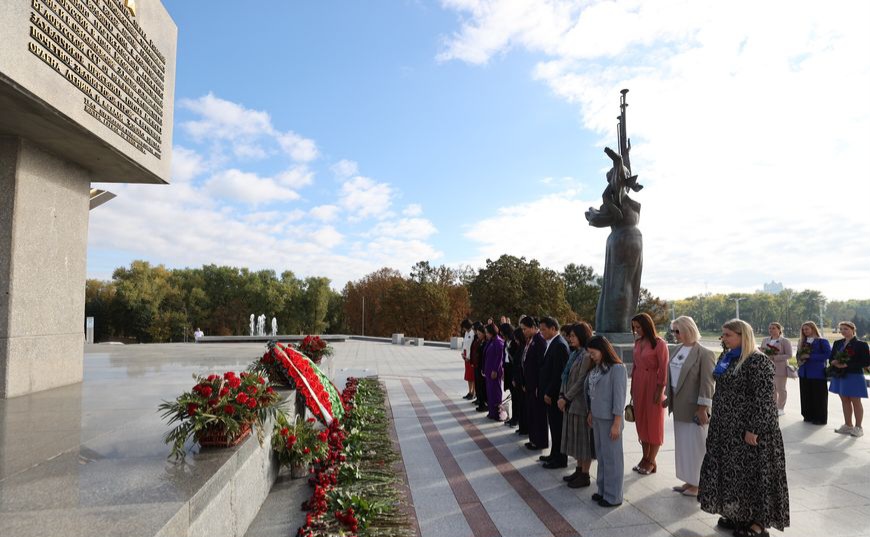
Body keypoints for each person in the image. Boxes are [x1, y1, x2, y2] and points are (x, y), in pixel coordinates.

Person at [699, 319, 789, 536]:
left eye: (728, 335)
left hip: (749, 430)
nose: (724, 339)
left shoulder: (758, 361)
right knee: (734, 473)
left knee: (754, 476)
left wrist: (754, 429)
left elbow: (764, 400)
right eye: (723, 335)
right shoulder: (728, 356)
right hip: (726, 427)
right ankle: (738, 514)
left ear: (742, 336)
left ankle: (758, 523)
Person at [663, 316, 715, 497]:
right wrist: (667, 398)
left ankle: (699, 484)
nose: (675, 335)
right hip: (678, 407)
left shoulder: (704, 353)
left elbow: (707, 383)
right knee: (684, 446)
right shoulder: (676, 350)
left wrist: (703, 408)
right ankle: (689, 480)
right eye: (673, 331)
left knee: (697, 447)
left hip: (694, 408)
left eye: (678, 331)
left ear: (688, 329)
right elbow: (672, 377)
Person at [585, 335, 627, 508]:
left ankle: (614, 496)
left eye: (593, 353)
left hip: (611, 419)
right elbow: (591, 393)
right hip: (597, 418)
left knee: (613, 458)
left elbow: (619, 398)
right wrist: (590, 412)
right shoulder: (596, 368)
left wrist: (617, 422)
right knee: (602, 456)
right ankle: (602, 490)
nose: (591, 356)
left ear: (603, 350)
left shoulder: (617, 369)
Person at [630, 312, 668, 475]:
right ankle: (645, 458)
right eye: (634, 327)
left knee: (654, 423)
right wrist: (632, 388)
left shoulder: (659, 344)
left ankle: (651, 460)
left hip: (653, 384)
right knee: (642, 422)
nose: (636, 330)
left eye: (639, 327)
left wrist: (660, 390)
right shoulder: (637, 342)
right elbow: (635, 366)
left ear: (646, 325)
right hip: (639, 383)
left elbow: (664, 368)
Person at [558, 322, 594, 488]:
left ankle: (585, 474)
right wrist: (561, 394)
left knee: (583, 441)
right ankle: (579, 470)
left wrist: (566, 397)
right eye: (569, 336)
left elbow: (581, 381)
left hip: (579, 404)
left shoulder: (587, 355)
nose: (570, 339)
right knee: (575, 440)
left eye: (573, 336)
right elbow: (565, 376)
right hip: (570, 402)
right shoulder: (575, 354)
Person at [538, 317, 570, 469]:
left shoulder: (560, 345)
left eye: (543, 329)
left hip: (555, 395)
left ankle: (560, 459)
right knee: (554, 427)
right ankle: (553, 454)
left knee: (558, 428)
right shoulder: (553, 343)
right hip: (550, 393)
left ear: (553, 328)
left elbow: (559, 374)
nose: (541, 332)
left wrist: (549, 392)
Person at [829, 321, 870, 437]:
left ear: (853, 329)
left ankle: (859, 427)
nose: (843, 331)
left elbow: (866, 362)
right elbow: (831, 357)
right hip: (839, 375)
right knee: (844, 400)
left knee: (856, 402)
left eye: (845, 329)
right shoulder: (837, 343)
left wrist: (847, 365)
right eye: (841, 329)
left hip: (854, 375)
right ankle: (848, 425)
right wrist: (834, 362)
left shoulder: (861, 344)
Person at [520, 316, 548, 451]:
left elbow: (541, 366)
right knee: (531, 412)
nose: (523, 331)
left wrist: (538, 385)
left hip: (536, 385)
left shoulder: (539, 341)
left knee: (538, 414)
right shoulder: (530, 341)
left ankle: (540, 441)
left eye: (525, 329)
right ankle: (533, 439)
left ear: (532, 327)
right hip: (529, 383)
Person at [795, 321, 831, 425]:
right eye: (803, 329)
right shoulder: (801, 341)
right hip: (804, 372)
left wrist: (810, 357)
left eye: (807, 329)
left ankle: (820, 418)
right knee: (806, 395)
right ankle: (808, 415)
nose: (805, 331)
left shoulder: (822, 341)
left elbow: (828, 354)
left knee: (819, 396)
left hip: (817, 372)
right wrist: (799, 359)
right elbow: (798, 354)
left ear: (813, 328)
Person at [761, 322, 793, 416]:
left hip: (780, 368)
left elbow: (789, 355)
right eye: (770, 328)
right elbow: (762, 351)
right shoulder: (765, 340)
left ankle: (780, 408)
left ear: (779, 329)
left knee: (780, 388)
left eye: (773, 328)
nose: (771, 330)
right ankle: (773, 407)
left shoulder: (785, 341)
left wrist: (775, 357)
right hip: (767, 368)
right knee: (771, 389)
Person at [483, 324, 505, 421]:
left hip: (494, 372)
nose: (486, 334)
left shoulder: (498, 342)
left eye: (487, 332)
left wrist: (495, 370)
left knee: (495, 393)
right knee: (490, 392)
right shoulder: (491, 341)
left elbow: (500, 357)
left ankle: (497, 413)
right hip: (488, 371)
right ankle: (491, 412)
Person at [500, 322, 519, 427]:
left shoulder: (514, 342)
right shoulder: (505, 341)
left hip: (513, 369)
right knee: (512, 394)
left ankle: (516, 418)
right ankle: (513, 417)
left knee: (515, 397)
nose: (501, 335)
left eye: (502, 332)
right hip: (507, 368)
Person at [512, 327, 528, 435]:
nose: (515, 341)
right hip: (517, 380)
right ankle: (521, 427)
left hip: (521, 381)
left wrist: (519, 380)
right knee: (520, 404)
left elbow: (521, 366)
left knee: (523, 406)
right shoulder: (521, 347)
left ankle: (524, 427)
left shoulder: (524, 348)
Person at [471, 322, 488, 412]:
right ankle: (480, 402)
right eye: (477, 334)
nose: (478, 335)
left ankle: (484, 404)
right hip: (477, 366)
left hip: (482, 367)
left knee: (482, 387)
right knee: (478, 385)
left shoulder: (485, 342)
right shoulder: (479, 341)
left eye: (479, 334)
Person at [460, 319, 476, 400]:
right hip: (466, 355)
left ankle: (473, 392)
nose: (463, 329)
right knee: (468, 376)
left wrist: (469, 357)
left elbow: (472, 347)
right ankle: (469, 391)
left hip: (471, 357)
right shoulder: (466, 333)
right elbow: (464, 344)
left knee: (472, 376)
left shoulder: (473, 333)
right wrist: (462, 353)